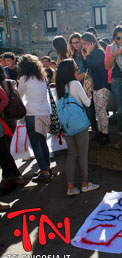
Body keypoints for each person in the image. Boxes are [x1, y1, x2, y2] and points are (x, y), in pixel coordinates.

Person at [55, 59, 99, 196]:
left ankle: (70, 186)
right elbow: (86, 103)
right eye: (75, 69)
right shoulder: (74, 84)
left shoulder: (59, 86)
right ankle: (85, 183)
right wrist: (88, 92)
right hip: (80, 125)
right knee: (83, 155)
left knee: (71, 155)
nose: (77, 71)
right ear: (70, 71)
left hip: (67, 126)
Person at [17, 55, 52, 183]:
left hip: (32, 113)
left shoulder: (24, 79)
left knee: (36, 144)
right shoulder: (42, 77)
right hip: (44, 113)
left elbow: (19, 96)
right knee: (43, 142)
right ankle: (47, 167)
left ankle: (44, 172)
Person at [82, 32, 110, 145]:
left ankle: (105, 134)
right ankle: (101, 133)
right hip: (97, 87)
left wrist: (87, 55)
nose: (83, 46)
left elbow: (92, 65)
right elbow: (88, 66)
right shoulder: (93, 53)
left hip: (102, 86)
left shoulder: (98, 52)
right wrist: (87, 56)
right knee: (98, 111)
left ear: (92, 42)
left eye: (85, 43)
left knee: (101, 111)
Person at [105, 26, 122, 148]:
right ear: (114, 38)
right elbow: (107, 66)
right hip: (116, 80)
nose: (120, 40)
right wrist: (114, 55)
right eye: (118, 38)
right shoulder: (110, 48)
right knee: (120, 109)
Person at [0, 81, 24, 192]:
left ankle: (12, 178)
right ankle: (12, 177)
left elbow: (4, 99)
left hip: (6, 120)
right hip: (5, 121)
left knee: (5, 153)